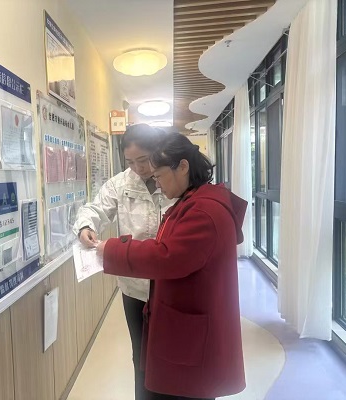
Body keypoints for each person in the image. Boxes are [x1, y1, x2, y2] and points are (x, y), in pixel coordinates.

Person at [96, 133, 247, 400]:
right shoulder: (193, 201)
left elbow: (166, 256)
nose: (156, 183)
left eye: (159, 175)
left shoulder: (203, 211)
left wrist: (111, 249)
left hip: (191, 325)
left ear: (183, 166)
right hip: (181, 314)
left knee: (182, 390)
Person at [73, 123, 175, 400]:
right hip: (134, 289)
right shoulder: (120, 183)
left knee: (174, 354)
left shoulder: (173, 179)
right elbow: (94, 208)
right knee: (141, 355)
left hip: (172, 287)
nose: (138, 168)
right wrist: (85, 226)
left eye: (143, 160)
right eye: (130, 162)